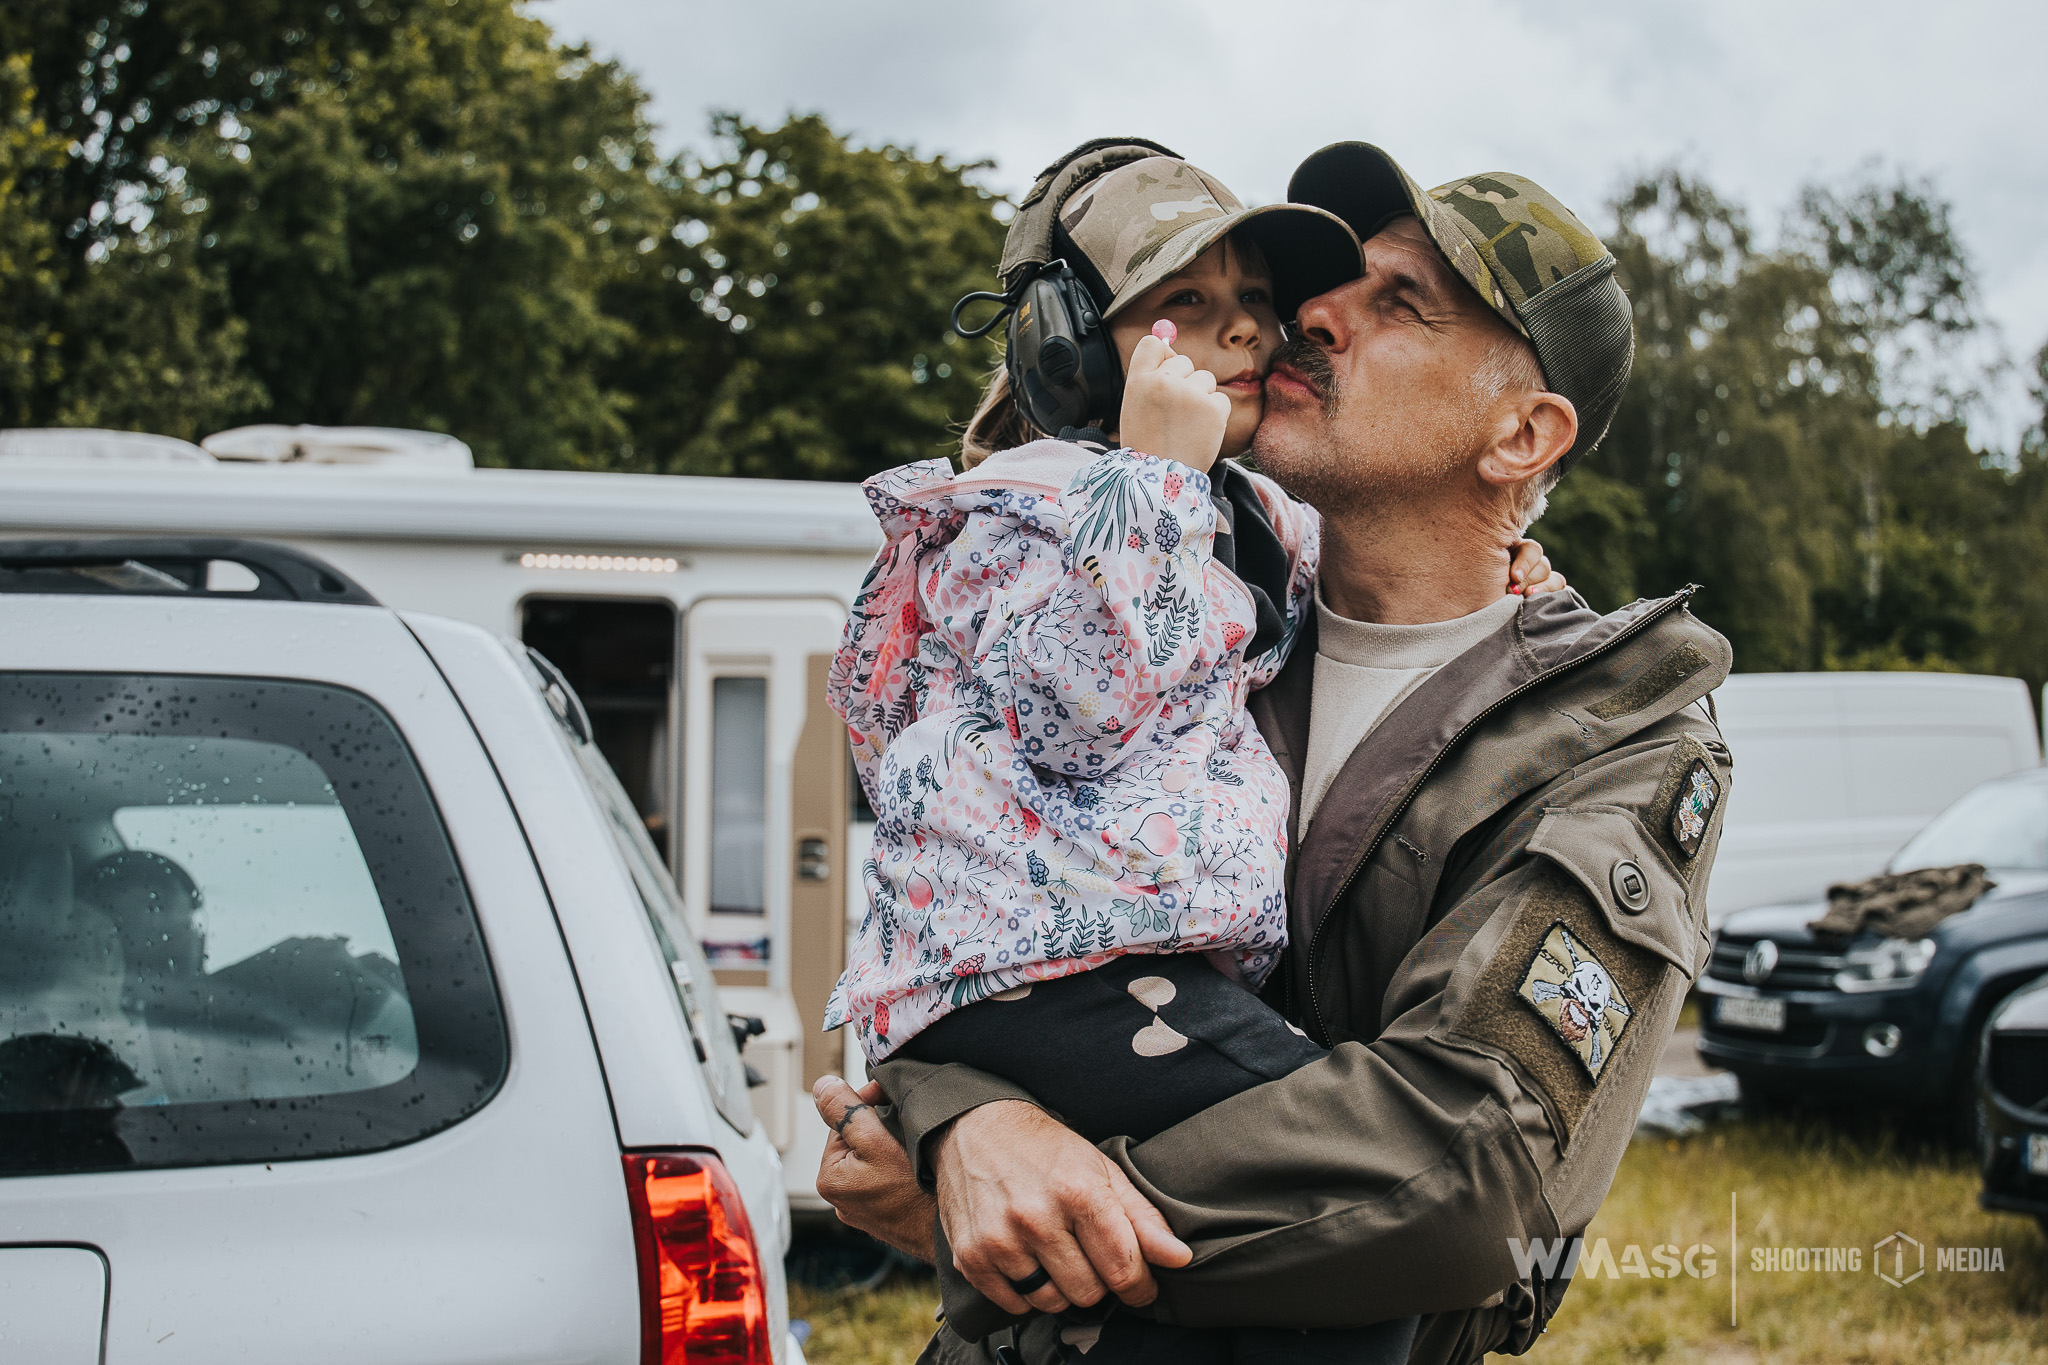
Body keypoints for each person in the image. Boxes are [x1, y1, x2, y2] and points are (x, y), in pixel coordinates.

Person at [814, 141, 1734, 1365]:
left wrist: (1013, 1209)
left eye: (1398, 302)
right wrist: (960, 1116)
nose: (1306, 317)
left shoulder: (1610, 744)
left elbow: (1469, 1179)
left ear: (1521, 435)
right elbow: (972, 884)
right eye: (1325, 286)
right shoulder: (1179, 629)